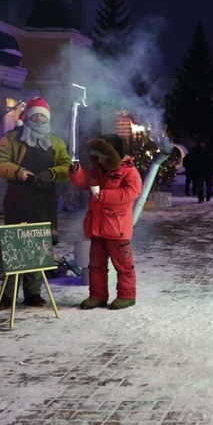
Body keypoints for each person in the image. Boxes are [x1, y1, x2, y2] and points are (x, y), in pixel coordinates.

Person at [0, 95, 71, 307]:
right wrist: (19, 172)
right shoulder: (12, 138)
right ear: (27, 116)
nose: (38, 120)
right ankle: (8, 295)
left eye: (42, 116)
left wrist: (52, 173)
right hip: (19, 199)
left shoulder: (56, 141)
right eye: (35, 115)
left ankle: (33, 293)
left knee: (38, 247)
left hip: (43, 201)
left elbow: (67, 167)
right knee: (15, 247)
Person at [69, 133, 142, 310]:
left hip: (117, 229)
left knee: (123, 265)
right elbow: (84, 180)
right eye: (97, 158)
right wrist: (76, 171)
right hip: (97, 227)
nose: (99, 161)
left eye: (102, 158)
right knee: (96, 265)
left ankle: (127, 295)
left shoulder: (129, 171)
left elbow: (131, 192)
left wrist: (103, 195)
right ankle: (97, 295)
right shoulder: (99, 172)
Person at [186, 139, 213, 203]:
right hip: (198, 171)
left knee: (209, 184)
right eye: (201, 143)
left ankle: (208, 196)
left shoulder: (210, 151)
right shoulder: (196, 151)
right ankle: (201, 198)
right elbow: (191, 161)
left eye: (203, 143)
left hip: (208, 171)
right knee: (199, 185)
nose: (202, 145)